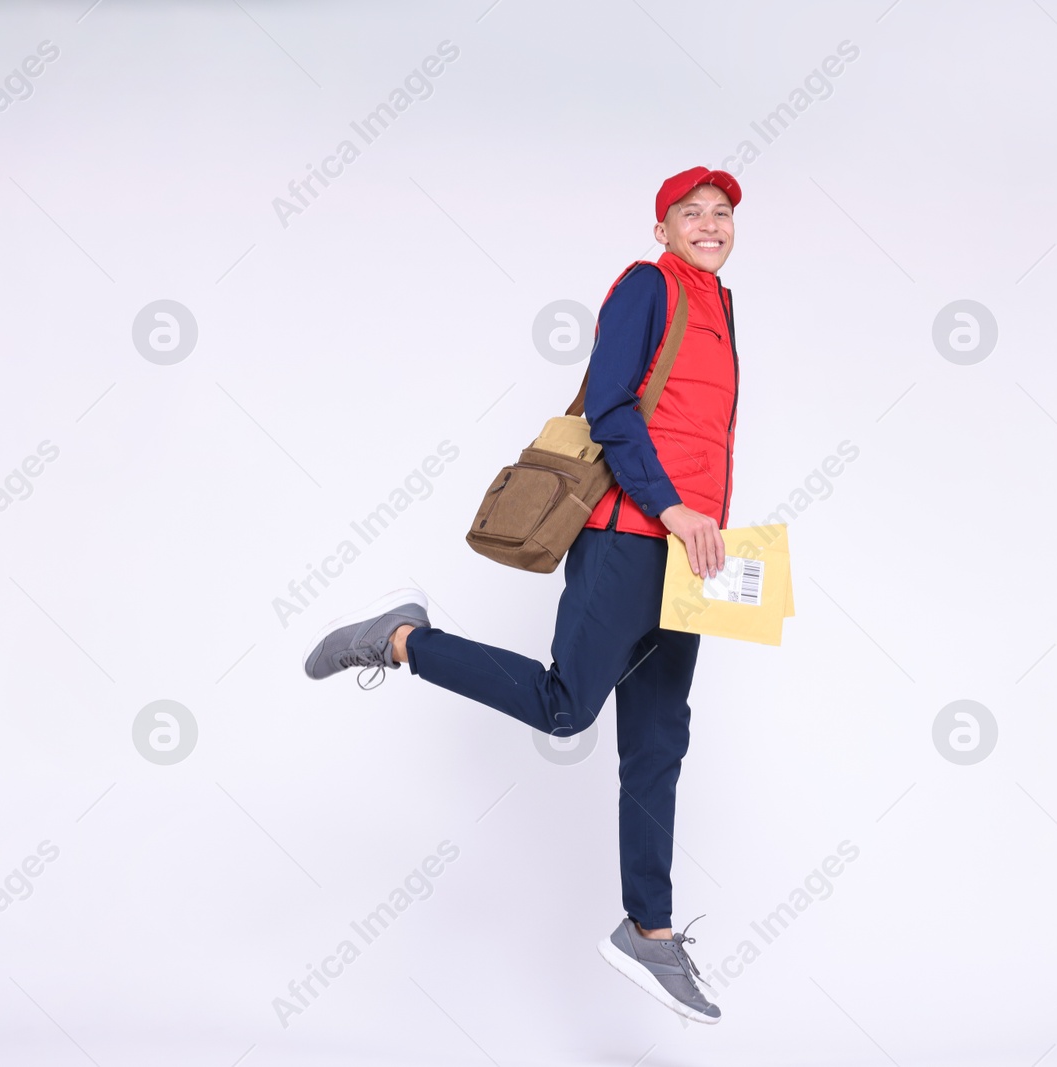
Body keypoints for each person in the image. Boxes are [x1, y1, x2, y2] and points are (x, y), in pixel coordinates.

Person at [301, 166, 742, 1025]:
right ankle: (400, 639)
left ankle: (649, 929)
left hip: (690, 555)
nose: (709, 224)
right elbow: (613, 408)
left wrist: (712, 528)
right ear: (661, 229)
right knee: (566, 706)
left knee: (658, 744)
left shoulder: (724, 306)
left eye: (721, 213)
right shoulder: (646, 287)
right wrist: (674, 506)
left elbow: (703, 430)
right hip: (625, 534)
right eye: (690, 213)